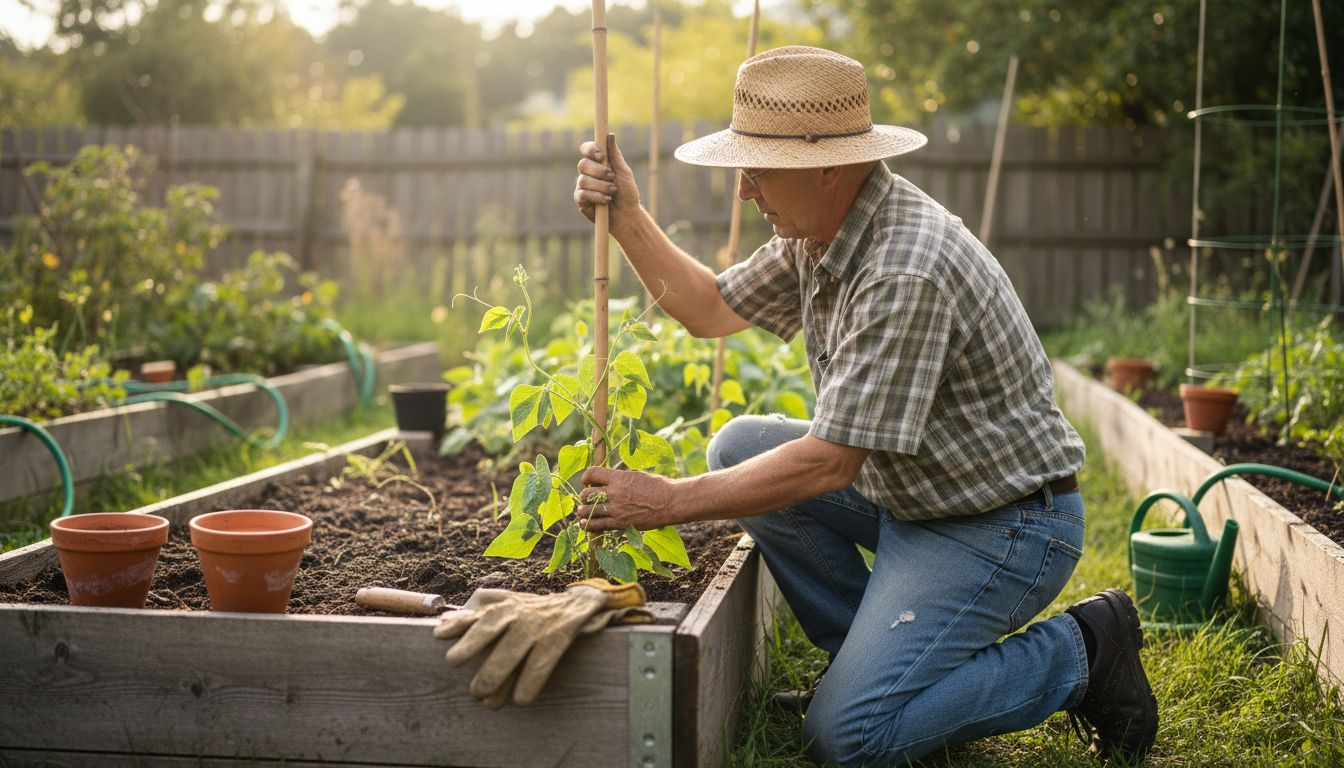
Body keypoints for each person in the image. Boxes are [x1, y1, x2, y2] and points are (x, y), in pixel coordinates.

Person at [572, 46, 1158, 766]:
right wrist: (628, 216)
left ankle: (1084, 653)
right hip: (920, 497)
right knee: (737, 448)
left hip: (1003, 525)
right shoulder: (820, 231)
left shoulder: (903, 267)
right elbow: (709, 307)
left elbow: (828, 463)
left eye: (757, 169)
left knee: (847, 739)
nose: (744, 191)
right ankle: (867, 665)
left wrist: (668, 501)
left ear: (830, 165)